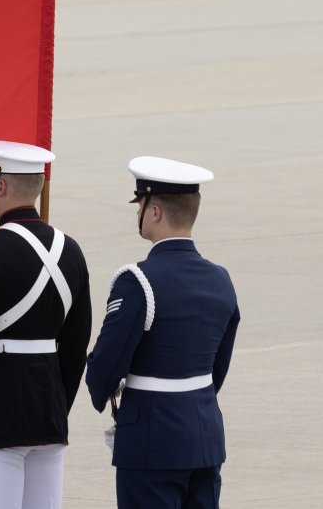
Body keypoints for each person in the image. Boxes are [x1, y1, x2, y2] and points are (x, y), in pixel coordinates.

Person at [85, 157, 240, 509]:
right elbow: (218, 367)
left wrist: (99, 386)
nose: (137, 211)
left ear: (154, 211)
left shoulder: (138, 281)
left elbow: (107, 365)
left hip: (151, 441)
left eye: (140, 204)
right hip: (204, 433)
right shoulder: (220, 278)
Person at [0, 141, 92, 509]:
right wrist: (59, 403)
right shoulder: (71, 250)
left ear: (3, 186)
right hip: (49, 411)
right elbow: (77, 345)